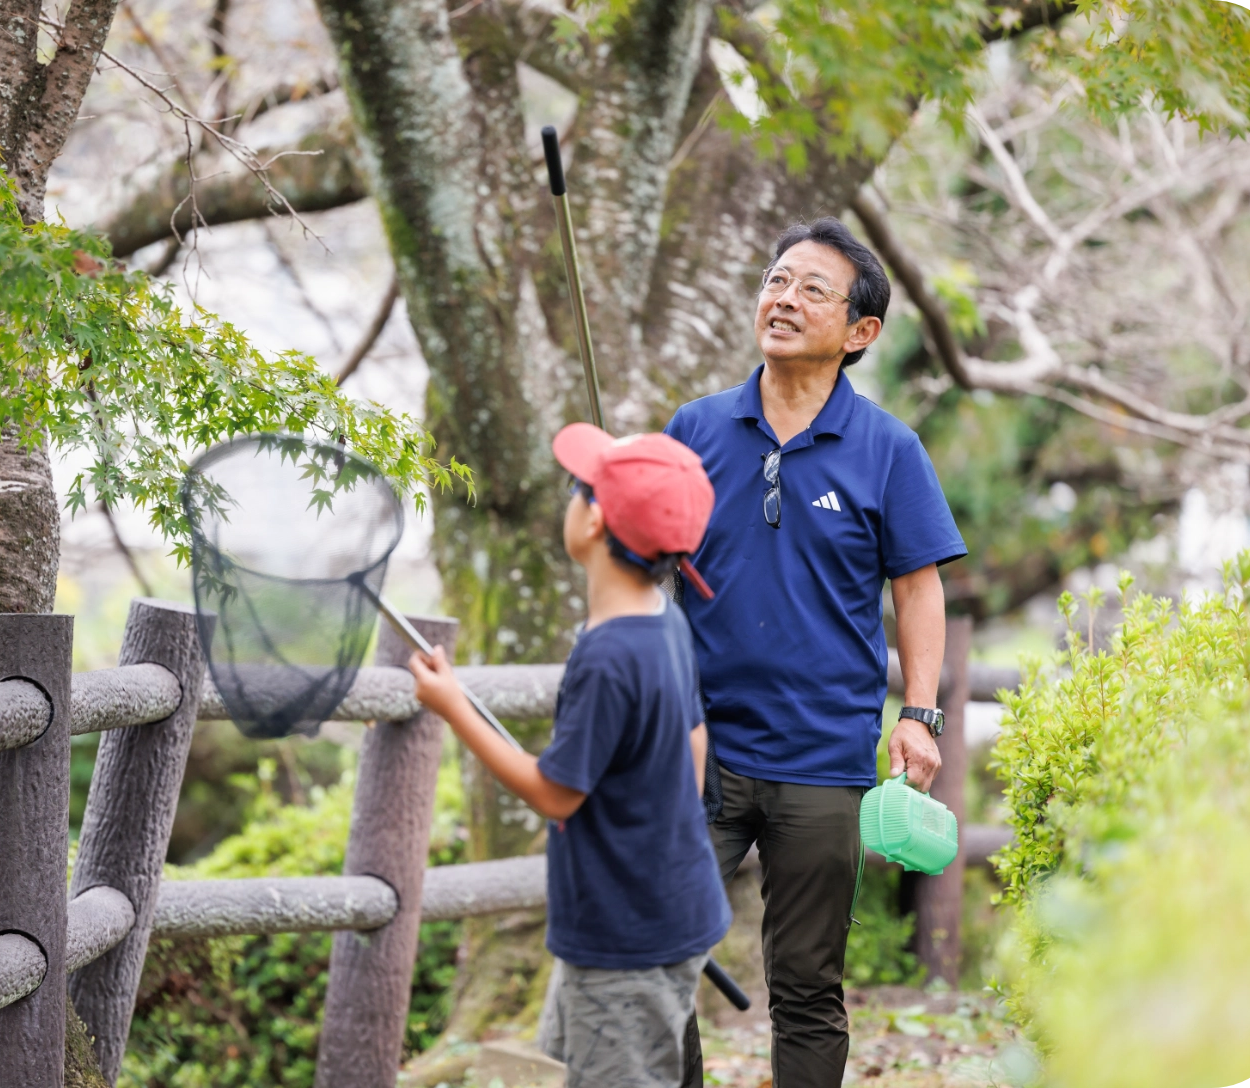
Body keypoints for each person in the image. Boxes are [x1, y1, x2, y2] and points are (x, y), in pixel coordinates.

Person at [663, 217, 967, 1088]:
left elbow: (918, 588)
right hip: (697, 750)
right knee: (655, 957)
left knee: (804, 985)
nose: (783, 298)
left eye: (810, 289)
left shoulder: (889, 450)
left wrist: (918, 715)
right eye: (775, 279)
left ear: (860, 332)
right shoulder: (695, 427)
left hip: (823, 758)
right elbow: (647, 558)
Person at [408, 423, 732, 1088]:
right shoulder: (663, 620)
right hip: (667, 906)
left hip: (624, 937)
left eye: (578, 489)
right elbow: (693, 741)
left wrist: (453, 707)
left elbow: (557, 793)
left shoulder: (610, 654)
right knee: (563, 1066)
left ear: (593, 521)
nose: (570, 499)